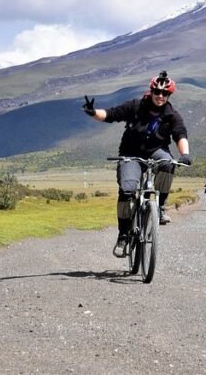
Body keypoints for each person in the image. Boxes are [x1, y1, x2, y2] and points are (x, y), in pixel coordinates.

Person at [82, 71, 192, 257]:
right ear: (151, 91)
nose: (160, 96)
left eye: (164, 93)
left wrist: (185, 154)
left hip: (156, 151)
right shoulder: (135, 106)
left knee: (167, 163)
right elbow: (111, 114)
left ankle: (160, 206)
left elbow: (180, 134)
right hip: (130, 153)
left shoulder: (172, 115)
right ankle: (123, 235)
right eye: (157, 92)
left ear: (169, 95)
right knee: (127, 191)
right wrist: (93, 112)